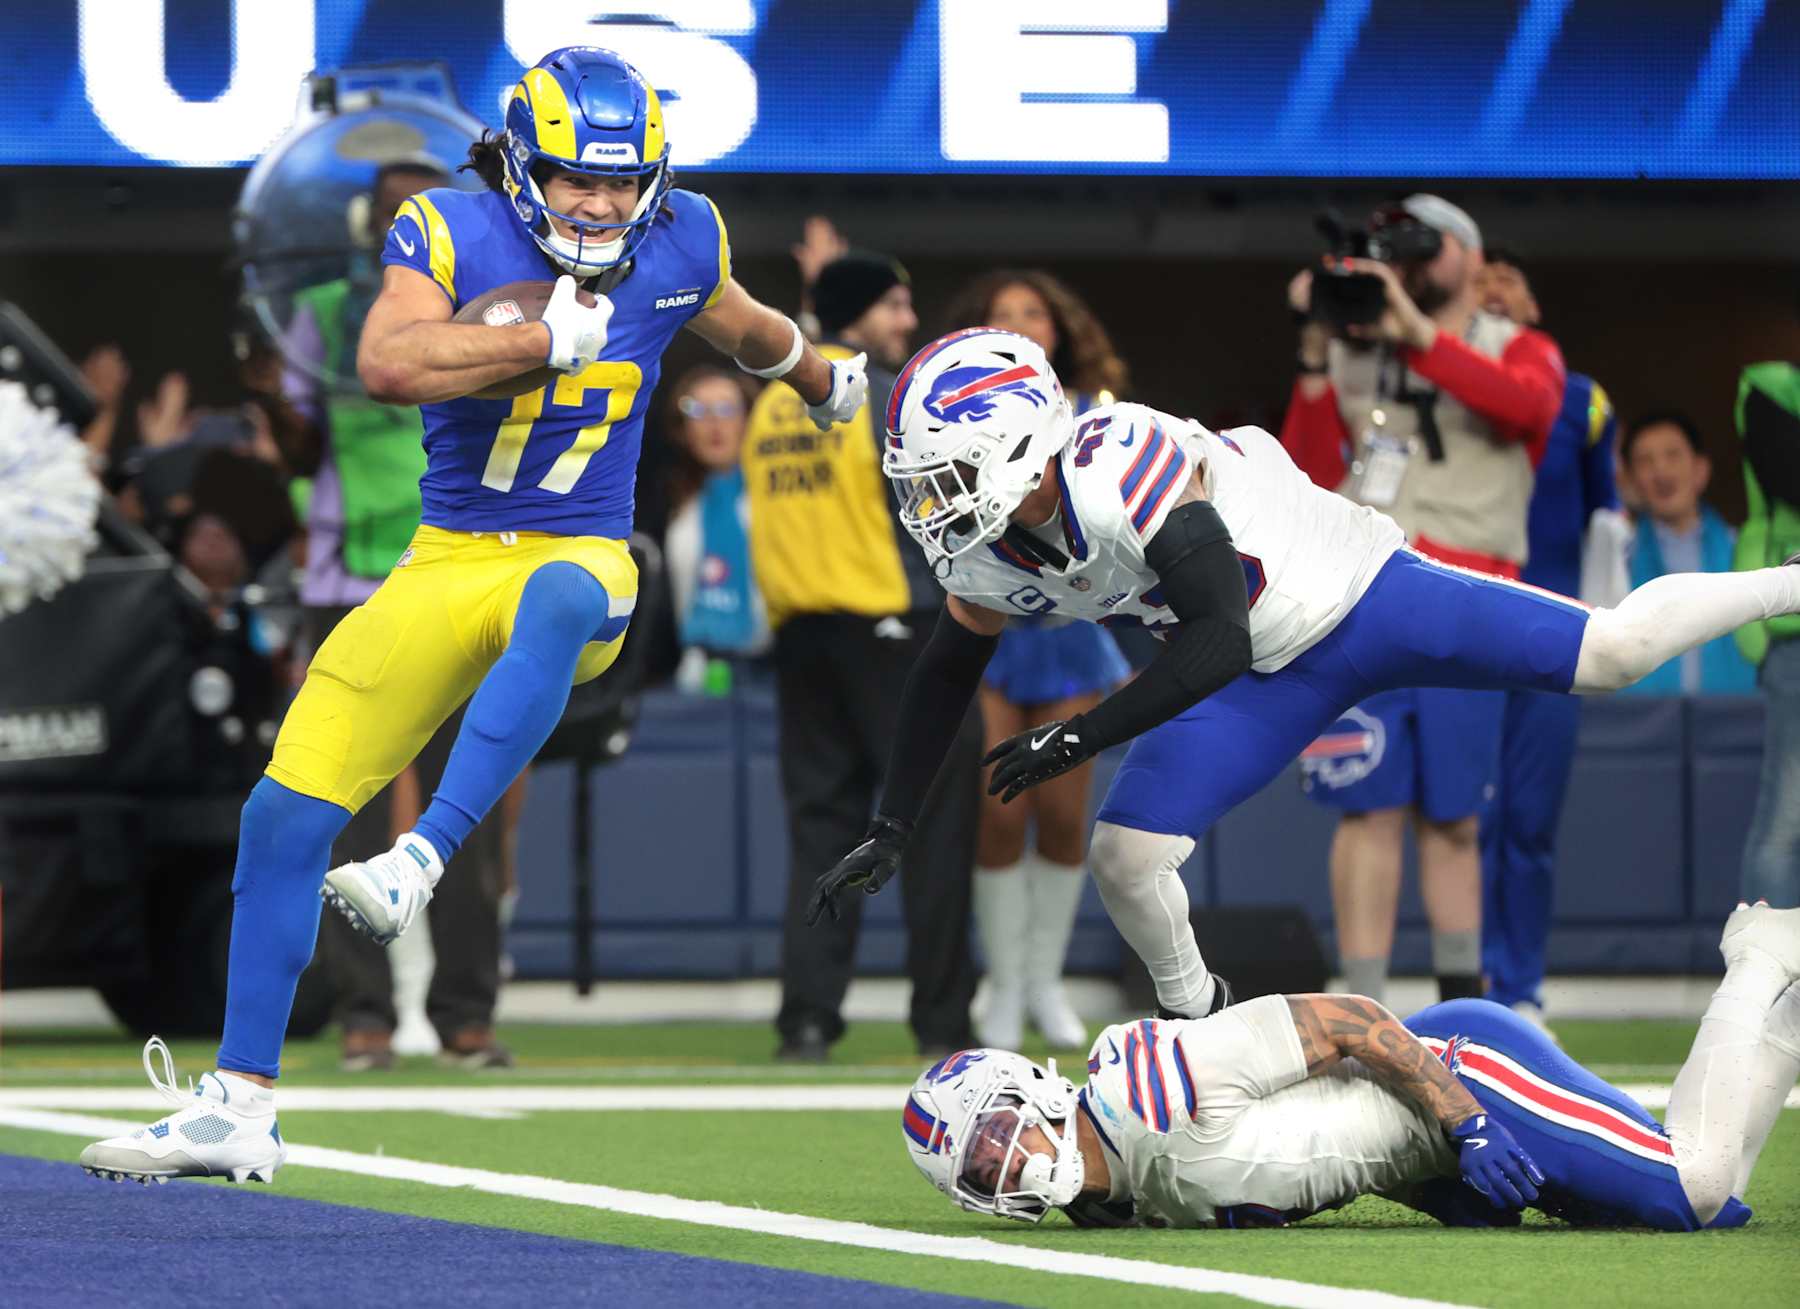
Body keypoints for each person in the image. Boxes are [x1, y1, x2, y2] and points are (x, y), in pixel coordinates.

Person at [79, 45, 867, 1185]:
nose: (600, 203)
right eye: (573, 179)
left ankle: (423, 859)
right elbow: (389, 361)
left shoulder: (683, 232)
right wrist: (540, 340)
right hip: (445, 561)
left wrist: (818, 374)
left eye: (619, 180)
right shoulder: (447, 230)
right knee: (281, 818)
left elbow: (740, 325)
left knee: (562, 591)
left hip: (584, 552)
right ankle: (238, 1101)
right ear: (517, 166)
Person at [804, 327, 1800, 1040]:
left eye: (940, 476)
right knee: (1127, 854)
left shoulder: (1120, 462)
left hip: (1361, 593)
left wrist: (1079, 737)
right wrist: (893, 822)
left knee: (1613, 654)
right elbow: (945, 671)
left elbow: (1214, 639)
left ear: (1016, 443)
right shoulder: (989, 554)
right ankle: (1201, 1026)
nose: (927, 505)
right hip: (1262, 669)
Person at [902, 903, 1800, 1232]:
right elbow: (1304, 1156)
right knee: (1707, 1205)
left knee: (1696, 1184)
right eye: (983, 1169)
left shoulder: (1152, 1087)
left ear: (1035, 1092)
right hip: (1431, 1145)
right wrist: (1433, 1184)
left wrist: (1468, 1122)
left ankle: (1757, 953)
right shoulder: (1109, 1202)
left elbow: (1356, 1021)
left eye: (998, 1135)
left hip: (1464, 1073)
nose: (1008, 1163)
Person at [1282, 196, 1564, 1006]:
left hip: (1471, 595)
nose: (1406, 265)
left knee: (1454, 817)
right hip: (1359, 591)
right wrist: (1314, 351)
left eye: (1426, 247)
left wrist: (1416, 332)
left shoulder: (1524, 346)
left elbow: (1527, 410)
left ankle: (1462, 1012)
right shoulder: (1351, 349)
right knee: (1365, 808)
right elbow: (1303, 475)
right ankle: (1357, 1008)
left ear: (1472, 258)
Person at [745, 250, 982, 1063]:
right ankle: (944, 1025)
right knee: (936, 826)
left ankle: (807, 1019)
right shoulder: (884, 396)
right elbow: (935, 520)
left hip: (802, 639)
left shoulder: (771, 403)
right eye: (894, 307)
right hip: (895, 631)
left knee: (820, 832)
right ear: (856, 317)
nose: (908, 323)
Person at [941, 269, 1132, 1051]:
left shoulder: (1099, 416)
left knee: (1059, 812)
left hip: (1072, 635)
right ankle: (1003, 984)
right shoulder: (953, 418)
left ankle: (1045, 982)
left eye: (1033, 314)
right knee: (997, 808)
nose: (1020, 324)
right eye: (1003, 316)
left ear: (1059, 330)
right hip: (992, 633)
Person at [1473, 249, 1621, 1029]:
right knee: (1464, 816)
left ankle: (1519, 984)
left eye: (1512, 278)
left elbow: (1607, 519)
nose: (1497, 288)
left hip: (1553, 632)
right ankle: (1465, 978)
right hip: (1461, 626)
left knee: (1529, 817)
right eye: (1481, 280)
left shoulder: (1584, 400)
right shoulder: (1444, 385)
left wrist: (1608, 629)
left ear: (1534, 306)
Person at [1615, 412, 1756, 694]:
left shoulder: (1743, 552)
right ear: (1631, 480)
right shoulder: (1618, 559)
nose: (1661, 471)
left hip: (1738, 725)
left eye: (1673, 455)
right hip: (1639, 729)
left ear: (1700, 470)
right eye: (1645, 461)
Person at [1735, 362, 1800, 910]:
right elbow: (1788, 474)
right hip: (1795, 632)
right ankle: (1770, 979)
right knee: (1788, 816)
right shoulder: (1769, 389)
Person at [661, 363, 768, 692]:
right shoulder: (667, 503)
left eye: (726, 408)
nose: (714, 422)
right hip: (693, 675)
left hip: (772, 674)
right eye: (698, 410)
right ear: (682, 428)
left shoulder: (773, 500)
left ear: (750, 419)